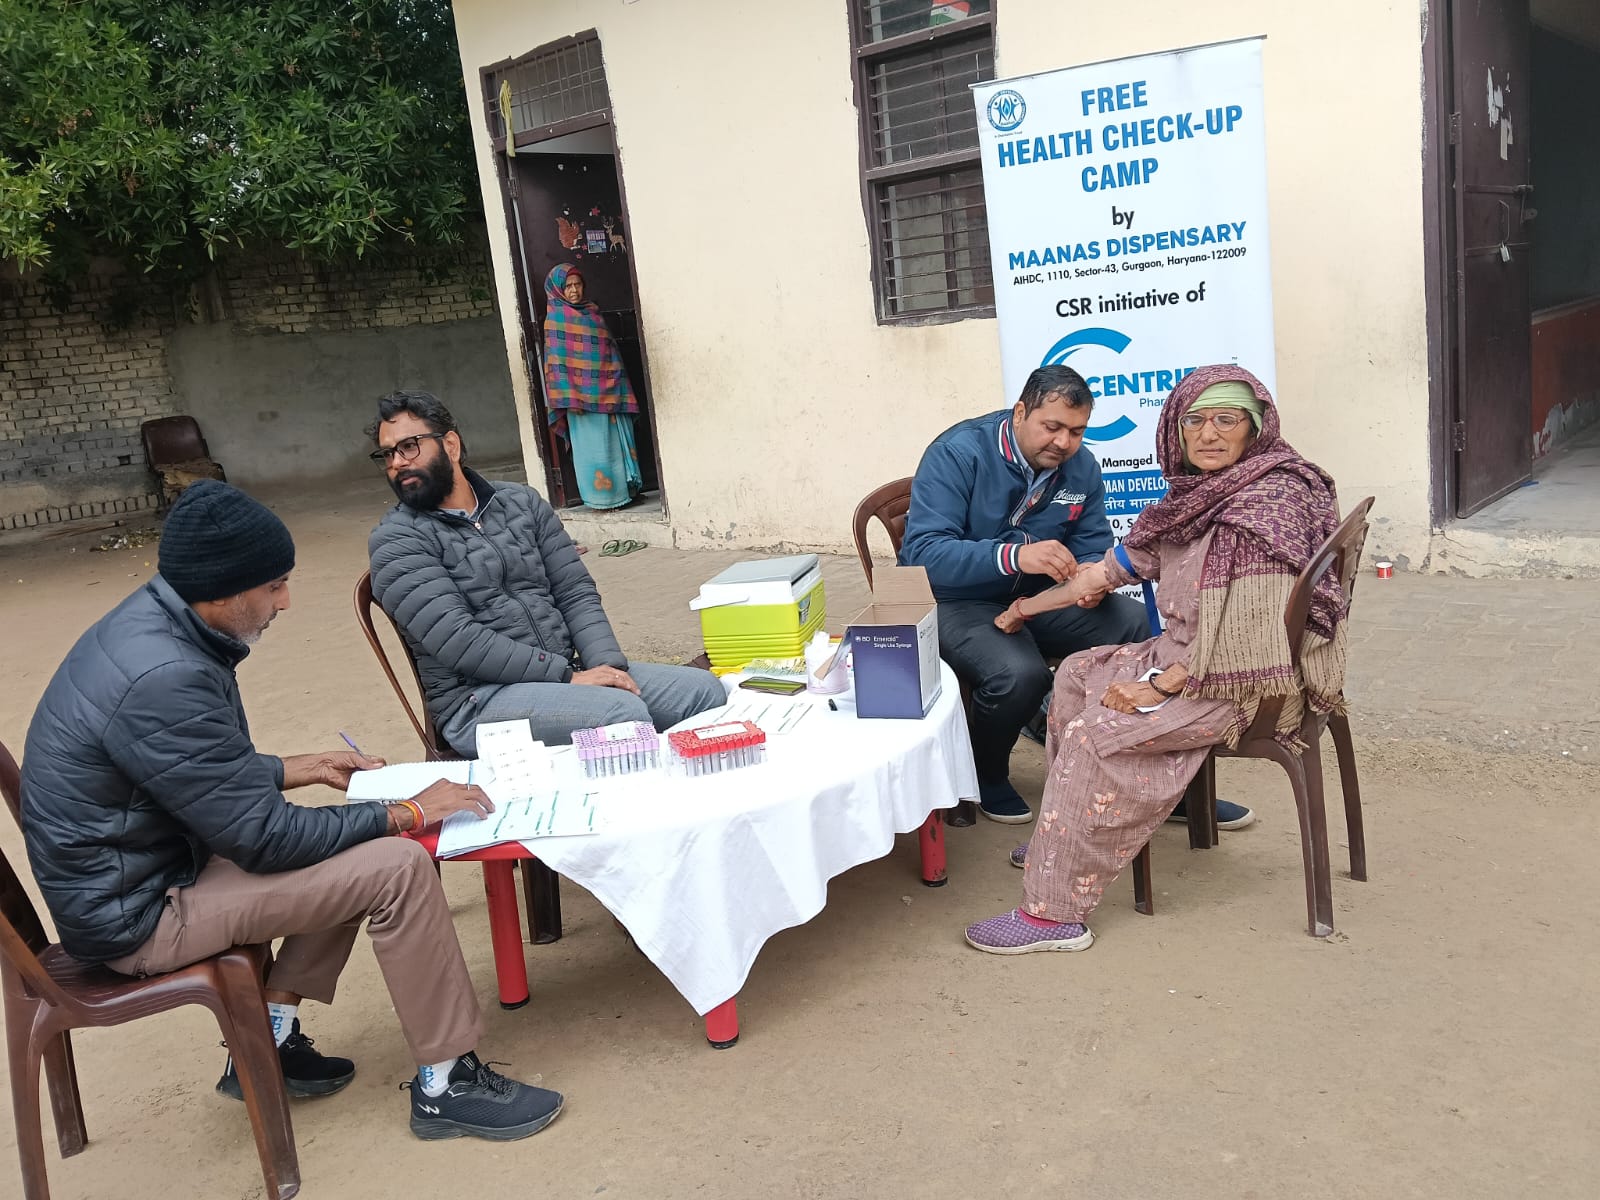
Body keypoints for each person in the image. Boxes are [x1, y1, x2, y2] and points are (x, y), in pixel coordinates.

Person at [19, 480, 564, 1140]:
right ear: (221, 589)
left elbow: (174, 768)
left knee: (352, 844)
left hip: (140, 870)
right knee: (395, 864)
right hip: (139, 916)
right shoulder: (163, 672)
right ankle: (447, 1083)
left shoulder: (161, 623)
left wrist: (294, 767)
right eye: (273, 585)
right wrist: (408, 813)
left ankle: (270, 1033)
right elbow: (265, 841)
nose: (285, 601)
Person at [963, 365, 1349, 954]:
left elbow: (1255, 638)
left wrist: (1160, 688)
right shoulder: (1199, 497)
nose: (1210, 434)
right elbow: (1113, 568)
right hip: (1193, 655)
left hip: (1242, 682)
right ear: (1176, 427)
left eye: (1228, 420)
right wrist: (1026, 610)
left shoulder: (1263, 507)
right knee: (1075, 672)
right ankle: (1068, 832)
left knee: (1097, 731)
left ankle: (1053, 916)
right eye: (1196, 419)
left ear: (1256, 428)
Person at [365, 390, 726, 756]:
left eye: (409, 446)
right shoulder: (396, 541)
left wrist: (606, 666)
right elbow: (460, 640)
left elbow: (574, 591)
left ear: (451, 445)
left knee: (703, 692)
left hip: (566, 672)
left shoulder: (520, 503)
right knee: (621, 714)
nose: (397, 462)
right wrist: (567, 677)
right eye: (388, 453)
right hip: (478, 701)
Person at [898, 365, 1150, 823]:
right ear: (1020, 412)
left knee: (1135, 625)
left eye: (1076, 431)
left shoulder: (1081, 465)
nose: (1063, 442)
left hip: (1038, 598)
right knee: (1019, 674)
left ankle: (1129, 767)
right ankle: (986, 772)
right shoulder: (958, 453)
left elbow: (1091, 539)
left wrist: (1091, 572)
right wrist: (1013, 557)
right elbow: (923, 554)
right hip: (956, 599)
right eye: (1051, 427)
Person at [542, 262, 642, 509]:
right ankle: (601, 500)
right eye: (568, 286)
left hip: (609, 394)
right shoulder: (555, 321)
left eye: (578, 285)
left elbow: (610, 354)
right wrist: (569, 398)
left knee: (614, 447)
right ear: (557, 289)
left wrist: (615, 386)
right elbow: (555, 366)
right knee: (593, 450)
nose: (574, 290)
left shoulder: (593, 313)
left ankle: (624, 493)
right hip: (580, 404)